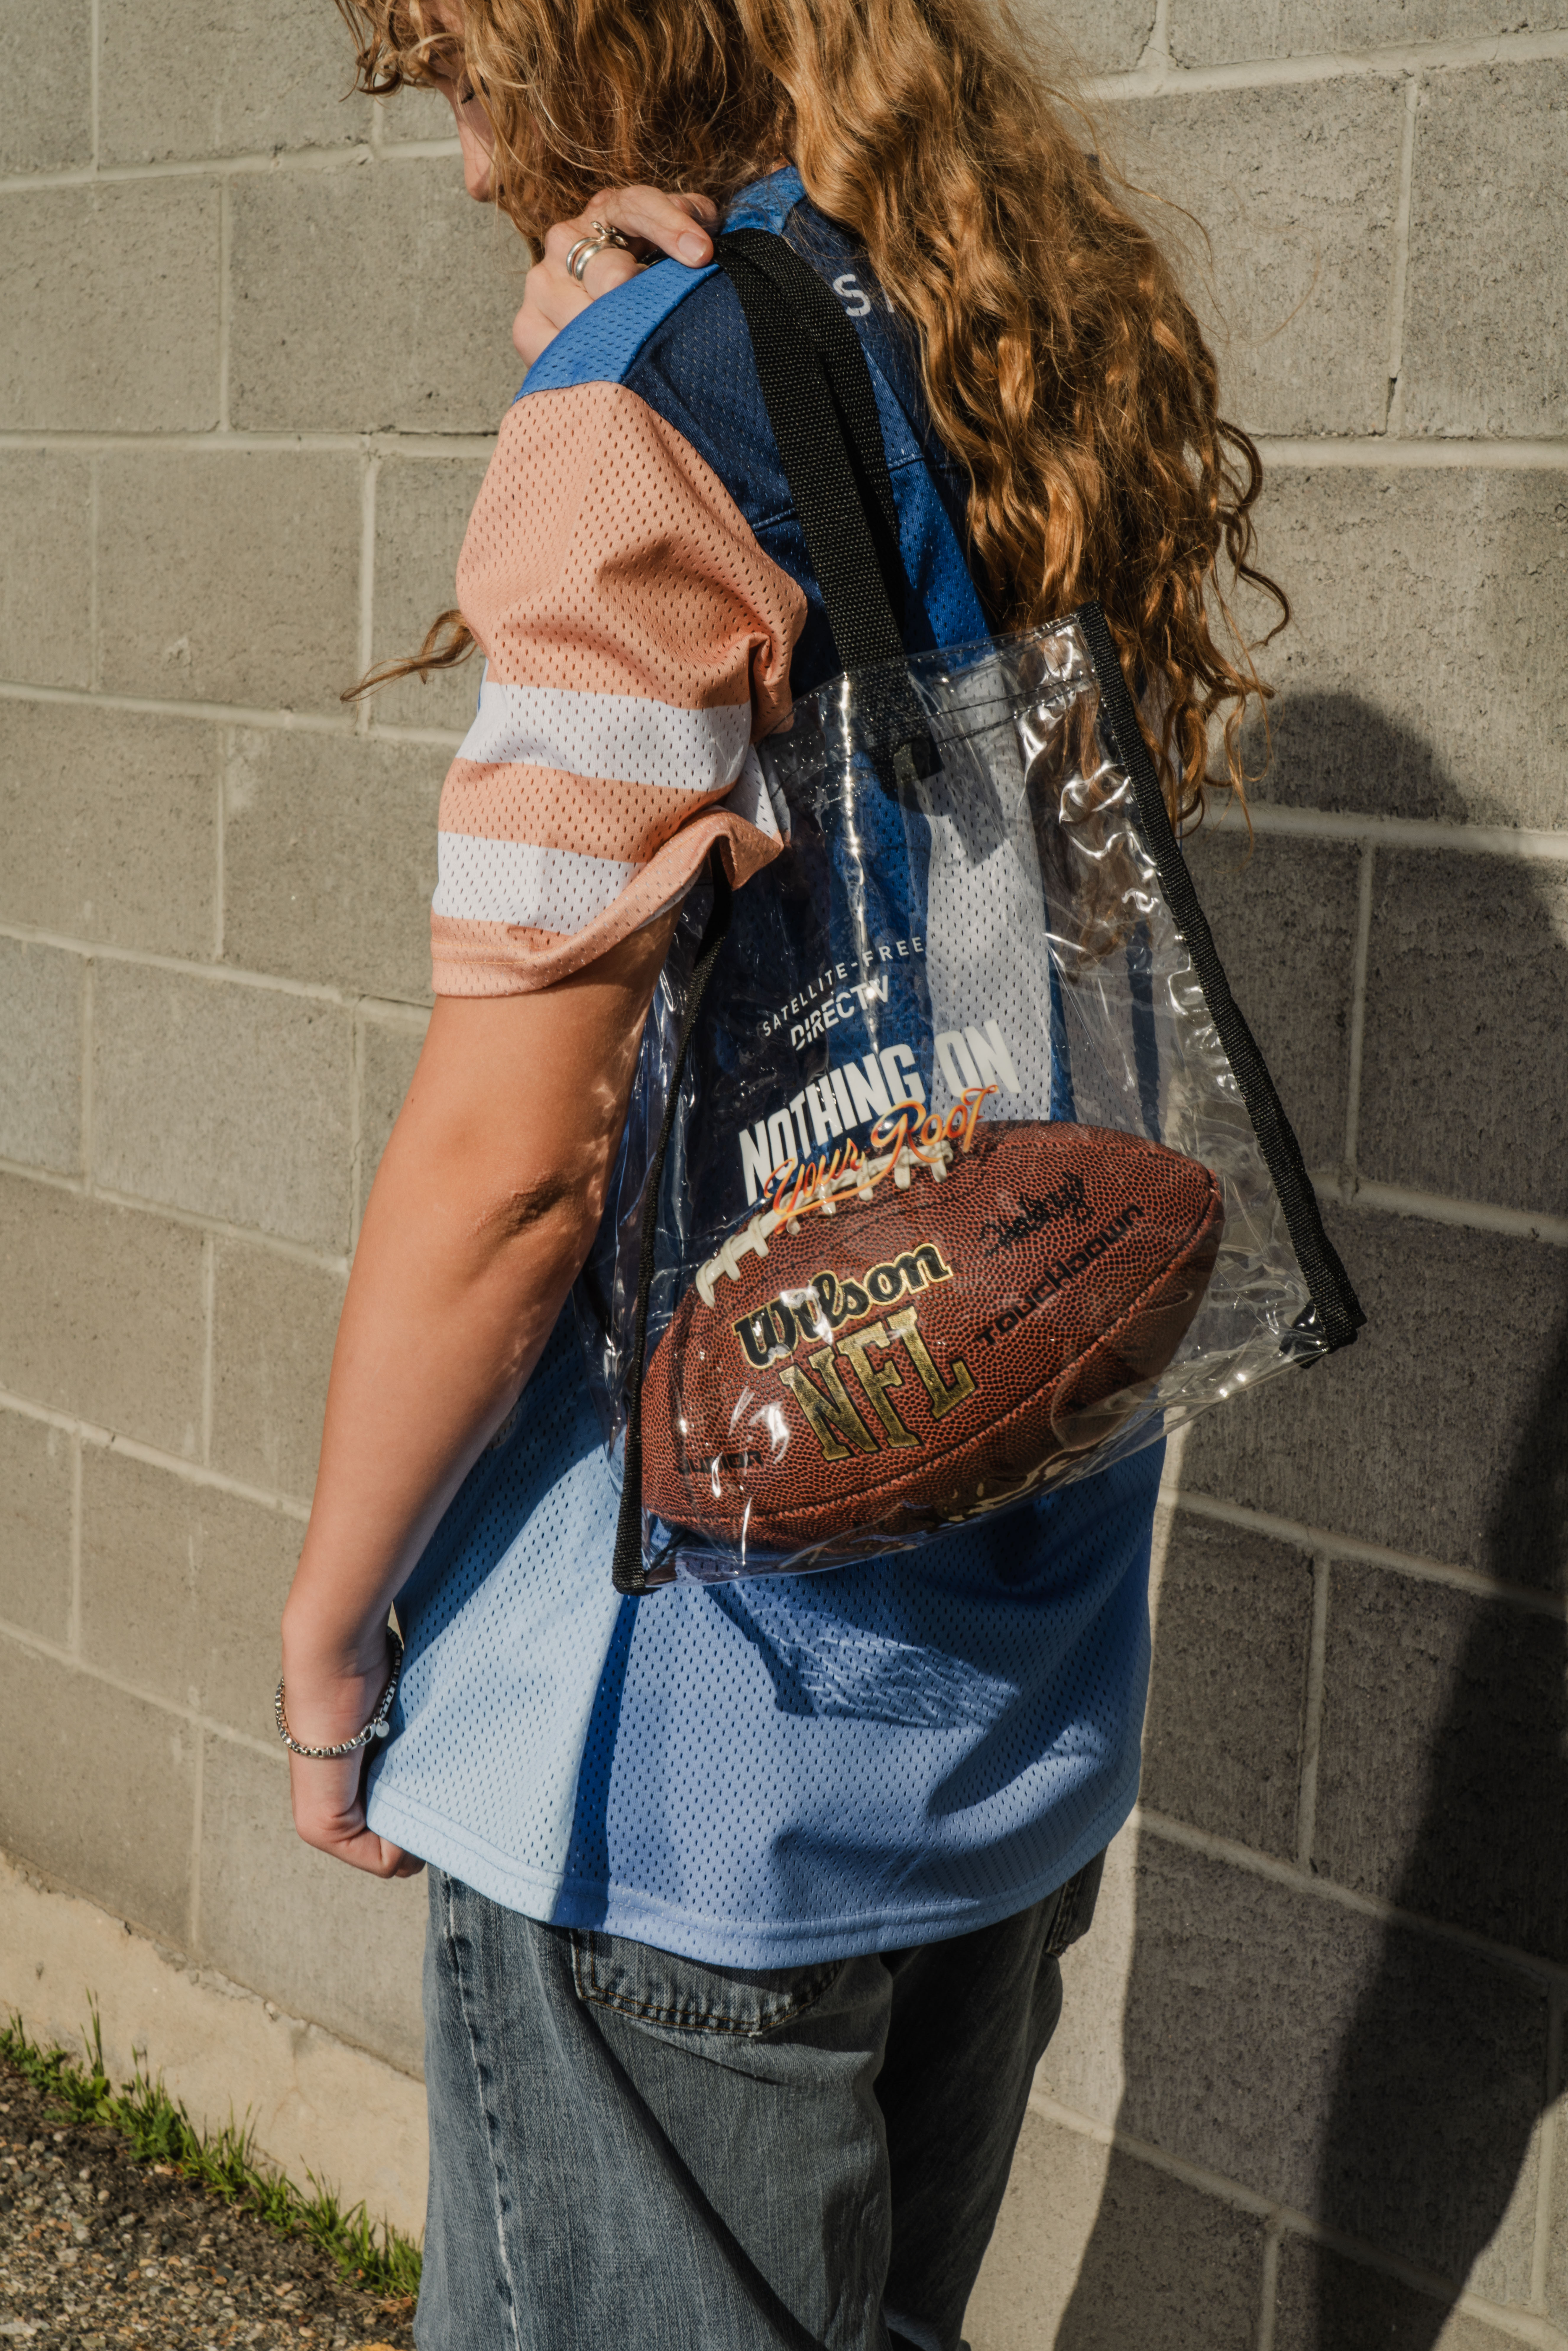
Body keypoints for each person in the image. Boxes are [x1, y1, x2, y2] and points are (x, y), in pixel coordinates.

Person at [279, 3, 1282, 2344]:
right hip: (1004, 1694)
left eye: (457, 71)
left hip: (677, 1750)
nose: (457, 160)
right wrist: (623, 336)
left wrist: (338, 1625)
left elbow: (518, 1168)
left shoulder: (651, 395)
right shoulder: (1014, 339)